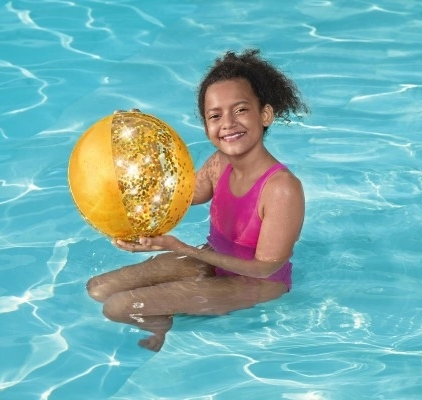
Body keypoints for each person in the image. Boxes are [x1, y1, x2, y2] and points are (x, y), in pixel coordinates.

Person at [86, 49, 309, 352]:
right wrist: (139, 143)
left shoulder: (282, 189)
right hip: (213, 259)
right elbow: (174, 197)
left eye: (240, 110)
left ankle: (159, 321)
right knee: (99, 289)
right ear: (206, 127)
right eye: (215, 116)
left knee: (118, 307)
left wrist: (181, 248)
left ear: (265, 115)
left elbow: (263, 269)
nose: (227, 123)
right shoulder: (219, 163)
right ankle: (164, 308)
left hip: (255, 284)